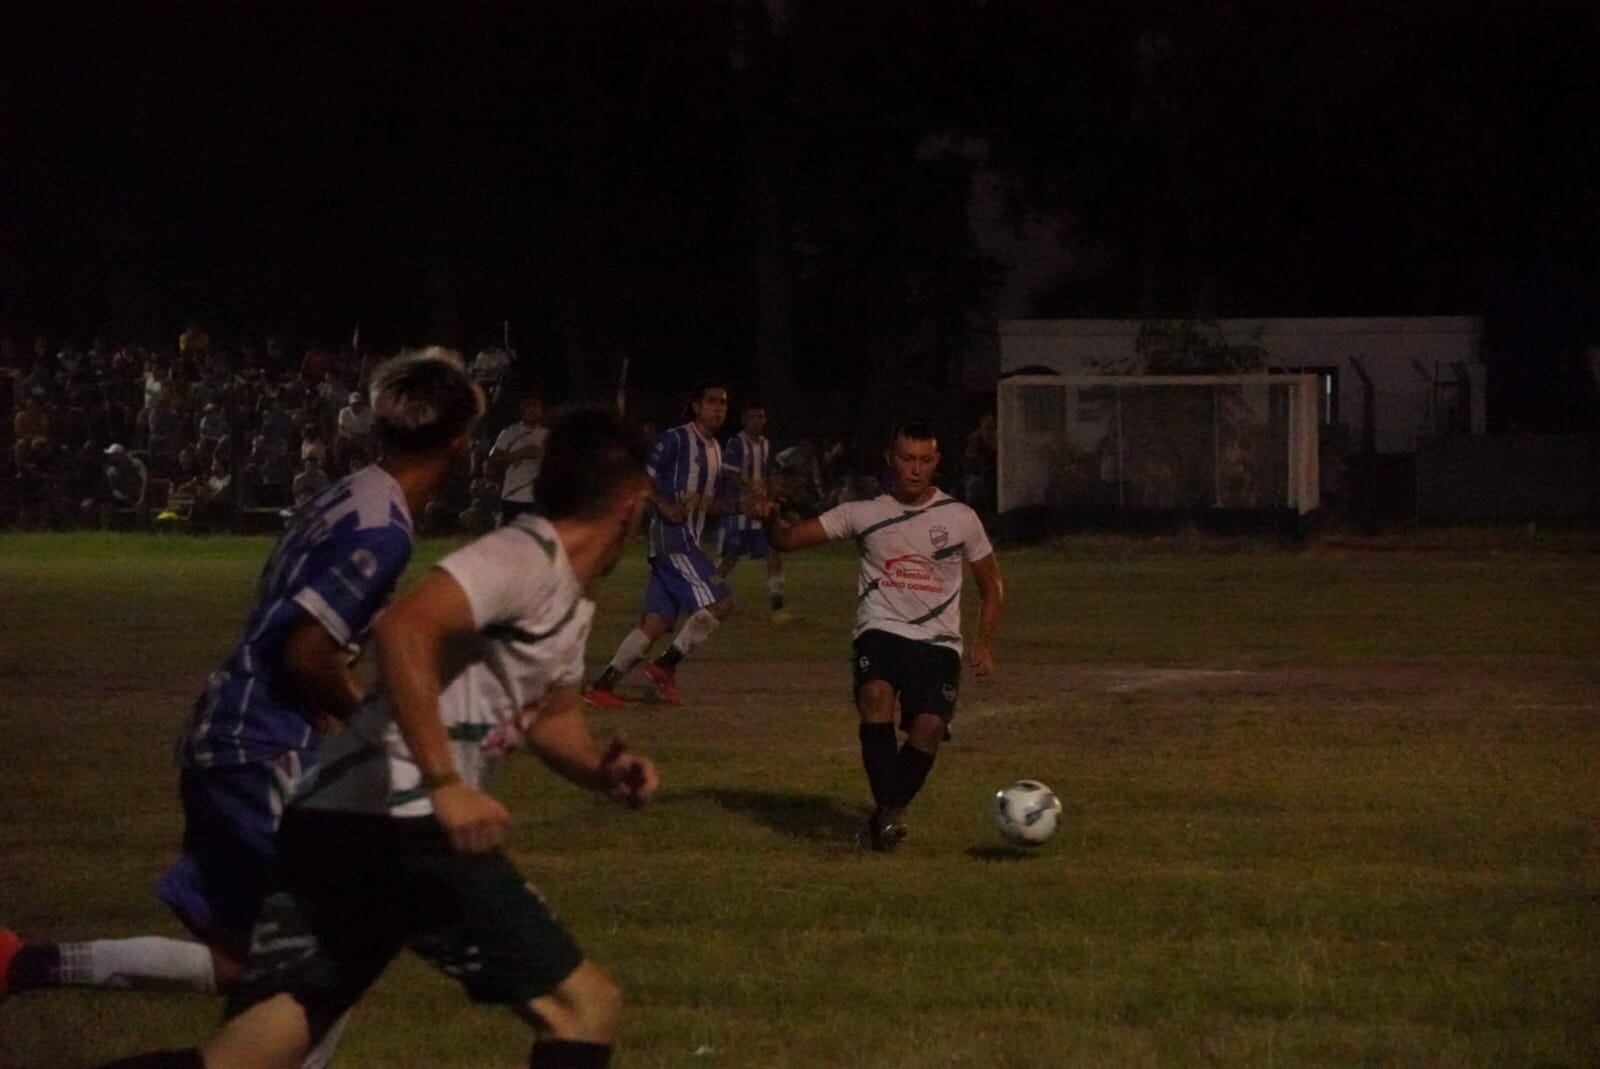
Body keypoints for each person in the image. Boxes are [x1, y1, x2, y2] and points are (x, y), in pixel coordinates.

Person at [93, 408, 659, 1069]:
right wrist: (446, 785)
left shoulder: (564, 595)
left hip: (335, 821)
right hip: (404, 823)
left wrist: (600, 769)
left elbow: (551, 716)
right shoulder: (522, 557)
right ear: (632, 503)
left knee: (249, 1051)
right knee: (584, 1007)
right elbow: (403, 630)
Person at [0, 350, 483, 1057]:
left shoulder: (352, 492)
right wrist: (367, 723)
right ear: (459, 440)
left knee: (247, 971)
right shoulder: (386, 529)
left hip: (226, 736)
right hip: (260, 747)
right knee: (333, 960)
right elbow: (307, 652)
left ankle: (23, 962)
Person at [760, 420, 1003, 851]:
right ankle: (890, 814)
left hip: (938, 643)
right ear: (891, 459)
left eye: (924, 461)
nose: (915, 469)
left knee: (927, 729)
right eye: (907, 459)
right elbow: (788, 538)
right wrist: (770, 518)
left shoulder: (960, 518)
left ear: (936, 463)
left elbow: (991, 587)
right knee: (875, 699)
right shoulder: (864, 512)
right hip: (881, 630)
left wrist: (983, 642)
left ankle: (886, 811)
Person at [584, 380, 740, 708]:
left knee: (655, 622)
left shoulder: (715, 450)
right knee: (722, 602)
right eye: (712, 401)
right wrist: (664, 504)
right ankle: (665, 666)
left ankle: (602, 687)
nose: (718, 408)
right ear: (696, 406)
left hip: (687, 539)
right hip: (673, 539)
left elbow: (707, 502)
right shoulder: (676, 439)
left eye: (723, 403)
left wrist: (743, 506)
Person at [716, 400, 792, 623]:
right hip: (738, 513)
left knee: (774, 553)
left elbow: (767, 474)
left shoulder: (766, 444)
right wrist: (751, 491)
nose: (758, 421)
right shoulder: (736, 443)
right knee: (726, 562)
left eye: (761, 417)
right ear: (744, 420)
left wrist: (771, 496)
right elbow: (730, 473)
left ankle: (778, 607)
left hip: (760, 512)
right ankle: (703, 595)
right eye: (753, 417)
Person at [485, 387, 547, 524]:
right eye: (527, 405)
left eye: (535, 405)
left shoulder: (548, 435)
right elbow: (491, 463)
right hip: (512, 497)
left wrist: (541, 455)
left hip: (538, 498)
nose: (531, 410)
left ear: (541, 410)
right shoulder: (509, 433)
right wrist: (518, 455)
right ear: (521, 409)